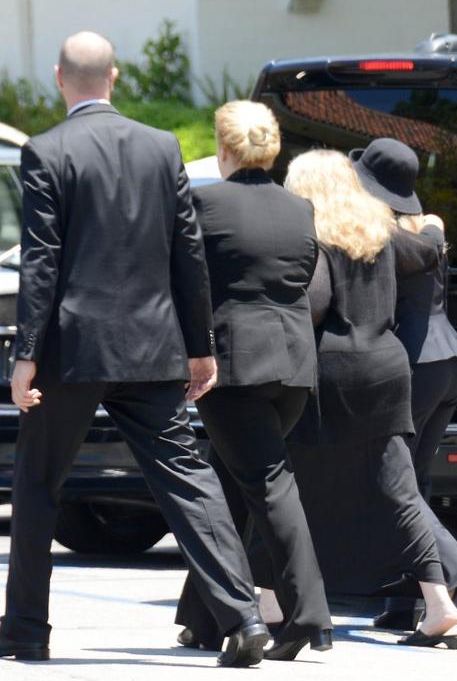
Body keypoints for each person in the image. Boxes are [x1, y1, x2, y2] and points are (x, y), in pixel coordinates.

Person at [0, 32, 269, 667]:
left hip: (72, 350)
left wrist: (26, 354)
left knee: (38, 482)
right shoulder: (161, 147)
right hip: (153, 345)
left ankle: (25, 628)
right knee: (187, 478)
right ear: (115, 77)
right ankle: (243, 619)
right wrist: (201, 346)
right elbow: (188, 252)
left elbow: (41, 261)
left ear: (59, 78)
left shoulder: (46, 149)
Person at [172, 101, 333, 661]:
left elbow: (186, 282)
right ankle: (202, 618)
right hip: (293, 368)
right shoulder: (299, 208)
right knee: (230, 483)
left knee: (267, 485)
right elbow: (303, 278)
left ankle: (308, 613)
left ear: (223, 148)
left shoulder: (204, 203)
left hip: (235, 366)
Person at [283, 149, 457, 648]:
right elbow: (428, 251)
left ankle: (293, 610)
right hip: (388, 367)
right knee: (399, 490)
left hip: (334, 373)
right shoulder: (380, 233)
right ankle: (439, 601)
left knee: (287, 487)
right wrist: (434, 228)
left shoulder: (315, 240)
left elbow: (314, 305)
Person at [351, 138, 457, 628]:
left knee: (391, 484)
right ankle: (407, 601)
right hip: (449, 359)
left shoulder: (382, 237)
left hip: (415, 364)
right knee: (415, 483)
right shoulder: (424, 230)